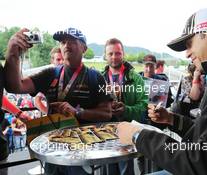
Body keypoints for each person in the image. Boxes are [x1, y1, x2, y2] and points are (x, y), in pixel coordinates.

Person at [117, 8, 207, 175]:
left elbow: (206, 161)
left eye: (189, 44)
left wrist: (138, 136)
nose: (187, 54)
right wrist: (171, 119)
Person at [4, 27, 112, 175]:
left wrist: (77, 112)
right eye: (63, 42)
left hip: (82, 153)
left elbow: (107, 113)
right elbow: (15, 86)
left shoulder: (97, 77)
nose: (66, 45)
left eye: (72, 41)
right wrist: (12, 53)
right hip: (52, 150)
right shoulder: (50, 73)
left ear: (84, 48)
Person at [101, 38, 148, 175]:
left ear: (123, 54)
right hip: (105, 133)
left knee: (125, 170)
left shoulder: (136, 79)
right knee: (108, 170)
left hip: (127, 131)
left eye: (118, 53)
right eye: (110, 54)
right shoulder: (99, 78)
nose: (114, 57)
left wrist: (126, 109)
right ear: (105, 55)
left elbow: (143, 106)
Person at [34, 47, 64, 114]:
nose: (62, 62)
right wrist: (49, 114)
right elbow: (37, 101)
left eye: (64, 59)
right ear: (52, 61)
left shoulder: (71, 75)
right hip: (55, 121)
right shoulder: (49, 78)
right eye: (58, 59)